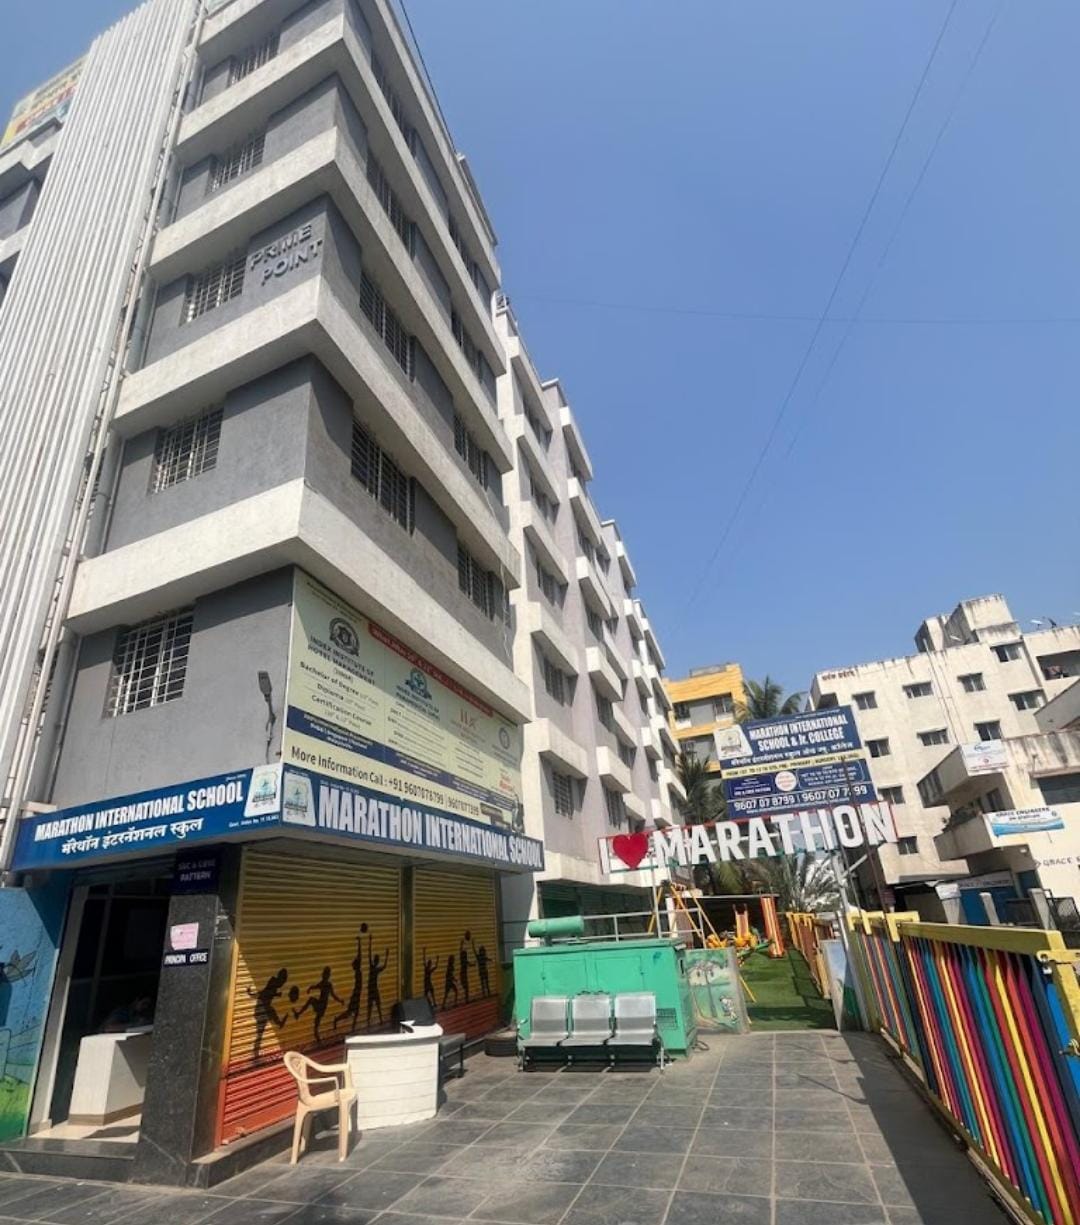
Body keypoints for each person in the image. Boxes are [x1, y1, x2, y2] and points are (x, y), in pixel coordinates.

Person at [294, 966, 342, 1044]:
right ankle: (298, 1014)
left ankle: (318, 1040)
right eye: (324, 974)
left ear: (328, 975)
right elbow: (315, 986)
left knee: (316, 1023)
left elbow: (333, 995)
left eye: (325, 974)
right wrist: (310, 988)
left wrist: (340, 1000)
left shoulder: (328, 984)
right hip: (320, 1004)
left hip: (322, 1006)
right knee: (311, 1002)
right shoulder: (323, 983)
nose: (324, 975)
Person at [247, 970, 288, 1058]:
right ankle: (255, 1053)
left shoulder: (274, 985)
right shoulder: (273, 983)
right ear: (280, 979)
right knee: (260, 1033)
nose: (283, 984)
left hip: (265, 1009)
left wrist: (276, 994)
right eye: (283, 981)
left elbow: (266, 992)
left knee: (261, 1032)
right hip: (261, 1010)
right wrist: (251, 993)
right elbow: (264, 993)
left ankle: (255, 1052)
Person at [366, 931, 390, 1027]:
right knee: (373, 1006)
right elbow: (369, 954)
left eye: (376, 959)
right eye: (376, 959)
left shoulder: (374, 968)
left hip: (372, 989)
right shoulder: (374, 968)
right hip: (373, 989)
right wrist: (370, 941)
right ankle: (378, 1021)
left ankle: (377, 1021)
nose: (376, 960)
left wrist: (387, 956)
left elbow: (384, 966)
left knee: (373, 1006)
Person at [422, 948, 440, 1013]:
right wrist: (424, 952)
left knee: (431, 993)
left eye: (430, 964)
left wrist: (437, 959)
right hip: (427, 983)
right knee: (427, 994)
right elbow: (424, 960)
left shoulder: (428, 969)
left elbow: (436, 967)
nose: (430, 965)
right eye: (430, 964)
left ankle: (433, 1003)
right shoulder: (427, 969)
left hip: (428, 983)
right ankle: (430, 1003)